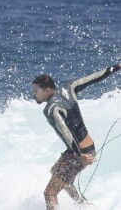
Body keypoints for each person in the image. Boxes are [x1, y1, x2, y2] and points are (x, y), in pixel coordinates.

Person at [32, 63, 121, 210]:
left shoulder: (52, 109)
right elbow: (94, 77)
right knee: (56, 172)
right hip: (87, 148)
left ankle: (81, 204)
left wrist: (80, 155)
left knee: (50, 193)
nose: (33, 94)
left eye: (36, 91)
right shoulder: (69, 87)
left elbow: (66, 132)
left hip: (78, 152)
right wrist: (116, 67)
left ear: (47, 90)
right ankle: (82, 204)